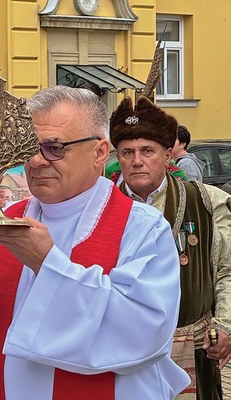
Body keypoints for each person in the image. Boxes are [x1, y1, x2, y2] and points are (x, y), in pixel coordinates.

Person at [0, 85, 190, 399]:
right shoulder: (3, 220)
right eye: (29, 147)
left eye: (54, 147)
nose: (37, 161)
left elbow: (143, 331)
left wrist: (48, 263)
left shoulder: (142, 227)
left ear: (100, 152)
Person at [111, 95, 231, 400]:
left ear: (167, 155)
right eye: (127, 152)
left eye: (147, 151)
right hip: (120, 353)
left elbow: (227, 271)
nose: (137, 160)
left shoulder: (206, 201)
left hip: (192, 349)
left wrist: (224, 325)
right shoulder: (99, 208)